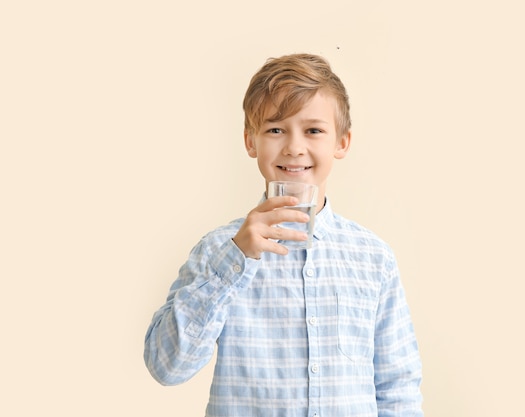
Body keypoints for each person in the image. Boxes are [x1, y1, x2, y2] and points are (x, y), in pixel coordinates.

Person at [144, 53, 424, 416]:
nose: (294, 147)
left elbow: (397, 388)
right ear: (250, 142)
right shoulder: (219, 250)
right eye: (275, 129)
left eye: (314, 130)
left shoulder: (374, 258)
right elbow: (167, 368)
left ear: (341, 142)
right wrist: (234, 261)